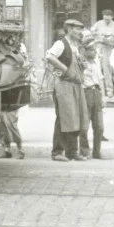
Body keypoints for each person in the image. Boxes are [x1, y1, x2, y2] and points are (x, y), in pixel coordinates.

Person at [45, 19, 89, 162]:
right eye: (77, 29)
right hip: (63, 85)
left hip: (76, 85)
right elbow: (49, 56)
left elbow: (78, 63)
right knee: (64, 118)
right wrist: (64, 69)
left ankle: (72, 152)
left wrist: (84, 65)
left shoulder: (76, 46)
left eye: (81, 29)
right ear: (69, 29)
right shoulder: (61, 43)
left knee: (76, 117)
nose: (80, 32)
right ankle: (57, 152)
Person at [79, 38, 105, 159]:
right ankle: (84, 150)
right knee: (84, 125)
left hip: (97, 92)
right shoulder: (80, 63)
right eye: (92, 50)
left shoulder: (97, 62)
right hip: (86, 92)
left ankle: (97, 151)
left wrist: (103, 96)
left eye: (95, 50)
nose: (95, 52)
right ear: (85, 50)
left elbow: (100, 79)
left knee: (99, 126)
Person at [91, 9, 114, 102]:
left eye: (108, 19)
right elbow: (91, 33)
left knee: (111, 69)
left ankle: (113, 90)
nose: (106, 21)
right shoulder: (98, 24)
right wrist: (99, 37)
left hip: (111, 49)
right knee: (100, 69)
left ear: (112, 17)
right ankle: (102, 90)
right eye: (105, 19)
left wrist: (113, 41)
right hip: (100, 48)